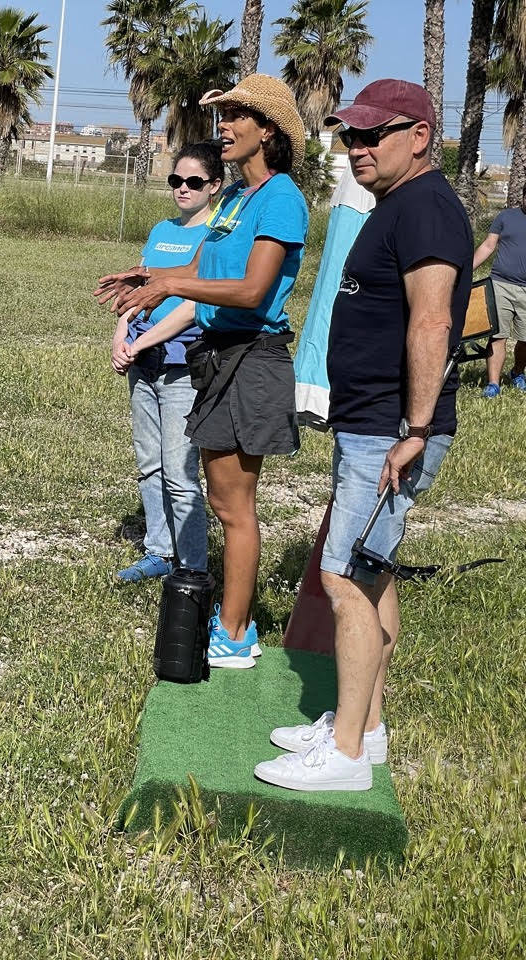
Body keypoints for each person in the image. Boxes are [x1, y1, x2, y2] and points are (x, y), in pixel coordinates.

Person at [255, 79, 470, 791]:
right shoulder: (396, 206)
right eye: (352, 134)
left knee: (342, 575)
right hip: (373, 425)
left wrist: (414, 427)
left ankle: (344, 756)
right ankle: (365, 729)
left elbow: (434, 321)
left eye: (376, 134)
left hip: (391, 431)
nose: (358, 147)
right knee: (371, 575)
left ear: (421, 135)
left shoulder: (428, 210)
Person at [96, 75, 309, 669]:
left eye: (239, 115)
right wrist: (148, 276)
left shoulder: (281, 198)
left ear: (269, 129)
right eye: (225, 113)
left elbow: (251, 287)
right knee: (221, 500)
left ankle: (236, 634)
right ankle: (229, 617)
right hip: (217, 356)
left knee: (236, 507)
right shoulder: (238, 198)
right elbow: (201, 259)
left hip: (251, 358)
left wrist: (170, 284)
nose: (225, 125)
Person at [108, 142, 222, 584]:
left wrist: (144, 341)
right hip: (143, 362)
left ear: (214, 186)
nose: (183, 189)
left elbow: (193, 305)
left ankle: (192, 565)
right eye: (176, 180)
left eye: (194, 182)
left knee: (180, 470)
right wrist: (122, 334)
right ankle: (159, 550)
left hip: (182, 366)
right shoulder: (160, 231)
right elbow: (136, 292)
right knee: (149, 463)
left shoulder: (216, 236)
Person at [472, 201, 526, 397]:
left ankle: (517, 372)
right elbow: (488, 245)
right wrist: (466, 271)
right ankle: (493, 384)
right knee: (498, 335)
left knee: (525, 340)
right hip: (500, 284)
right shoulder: (505, 217)